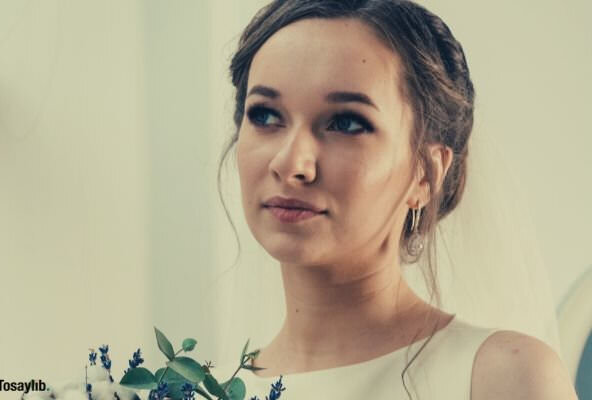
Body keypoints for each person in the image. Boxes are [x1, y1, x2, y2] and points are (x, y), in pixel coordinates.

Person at [209, 1, 578, 399]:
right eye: (264, 115)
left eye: (346, 123)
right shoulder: (195, 390)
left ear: (427, 172)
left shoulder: (503, 377)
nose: (290, 163)